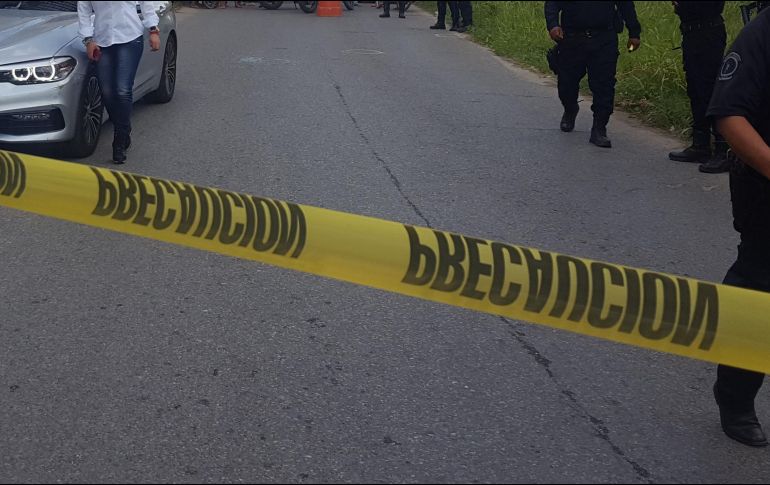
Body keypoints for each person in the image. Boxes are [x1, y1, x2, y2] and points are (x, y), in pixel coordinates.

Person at [707, 4, 770, 448]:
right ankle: (735, 398)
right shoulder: (762, 34)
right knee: (756, 292)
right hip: (766, 193)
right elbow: (730, 115)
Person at [545, 1, 641, 148]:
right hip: (572, 37)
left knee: (605, 85)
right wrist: (553, 25)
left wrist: (634, 32)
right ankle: (570, 108)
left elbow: (626, 4)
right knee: (567, 82)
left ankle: (599, 128)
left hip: (604, 38)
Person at [78, 1, 160, 164]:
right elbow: (84, 10)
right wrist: (88, 39)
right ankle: (124, 128)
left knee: (122, 90)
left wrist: (153, 29)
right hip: (102, 40)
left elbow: (146, 4)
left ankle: (119, 142)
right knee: (107, 92)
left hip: (130, 37)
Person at [668, 1, 729, 174]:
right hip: (691, 32)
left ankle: (722, 150)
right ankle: (700, 145)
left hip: (708, 32)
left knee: (710, 90)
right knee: (696, 90)